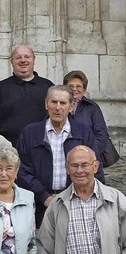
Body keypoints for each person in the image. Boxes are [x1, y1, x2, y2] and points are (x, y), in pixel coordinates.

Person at [37, 145, 126, 254]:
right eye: (74, 165)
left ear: (96, 166)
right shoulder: (57, 205)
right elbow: (45, 249)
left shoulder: (116, 200)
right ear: (67, 168)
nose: (80, 170)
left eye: (85, 165)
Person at [16, 85, 104, 228]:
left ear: (71, 106)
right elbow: (21, 170)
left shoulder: (83, 132)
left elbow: (95, 169)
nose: (58, 107)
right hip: (38, 206)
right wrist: (44, 197)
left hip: (78, 204)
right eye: (53, 102)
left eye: (63, 103)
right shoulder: (30, 133)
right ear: (46, 104)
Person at [0, 45, 54, 146]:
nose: (23, 60)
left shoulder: (48, 87)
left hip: (41, 147)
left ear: (34, 60)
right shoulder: (0, 88)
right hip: (7, 148)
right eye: (18, 57)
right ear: (12, 62)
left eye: (27, 57)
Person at [64, 70, 109, 162]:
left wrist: (90, 154)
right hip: (64, 156)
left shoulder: (92, 107)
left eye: (78, 86)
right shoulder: (59, 105)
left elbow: (101, 134)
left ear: (84, 89)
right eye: (71, 86)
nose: (74, 89)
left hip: (88, 158)